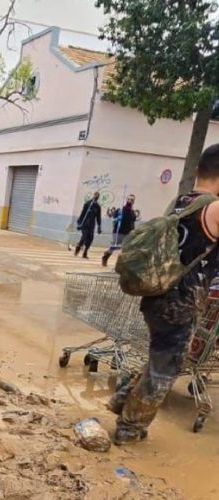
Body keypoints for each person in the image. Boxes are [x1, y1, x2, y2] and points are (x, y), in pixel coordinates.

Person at [109, 144, 219, 444]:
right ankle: (129, 429)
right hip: (180, 305)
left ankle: (122, 399)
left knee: (160, 359)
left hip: (157, 298)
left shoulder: (183, 201)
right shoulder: (214, 208)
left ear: (199, 170)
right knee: (165, 370)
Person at [101, 194, 137, 266]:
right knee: (114, 246)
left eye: (132, 200)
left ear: (133, 202)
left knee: (127, 248)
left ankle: (123, 264)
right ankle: (105, 256)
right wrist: (117, 219)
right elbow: (114, 220)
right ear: (126, 200)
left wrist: (133, 232)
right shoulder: (120, 210)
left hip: (128, 233)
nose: (130, 201)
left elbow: (132, 223)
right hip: (119, 232)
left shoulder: (132, 213)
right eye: (129, 199)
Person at [74, 192, 102, 259]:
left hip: (92, 225)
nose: (96, 197)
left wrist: (99, 226)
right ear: (93, 195)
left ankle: (85, 253)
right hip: (85, 224)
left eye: (97, 196)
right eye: (95, 195)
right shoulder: (87, 204)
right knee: (84, 237)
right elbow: (82, 213)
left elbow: (98, 217)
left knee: (90, 240)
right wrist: (79, 222)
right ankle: (78, 247)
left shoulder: (98, 207)